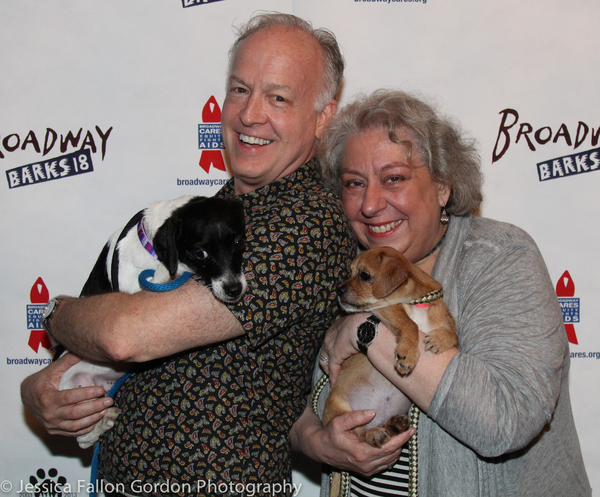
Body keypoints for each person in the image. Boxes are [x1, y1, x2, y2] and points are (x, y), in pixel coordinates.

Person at [20, 13, 356, 496]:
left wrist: (57, 312)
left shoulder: (307, 225)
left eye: (278, 97)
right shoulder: (215, 212)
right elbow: (110, 339)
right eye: (240, 89)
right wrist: (45, 386)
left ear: (323, 117)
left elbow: (123, 335)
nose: (250, 114)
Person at [289, 89, 591, 497]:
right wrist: (316, 441)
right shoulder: (347, 267)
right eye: (354, 183)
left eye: (393, 178)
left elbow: (506, 420)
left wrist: (368, 330)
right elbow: (292, 404)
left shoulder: (498, 257)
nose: (371, 204)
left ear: (444, 187)